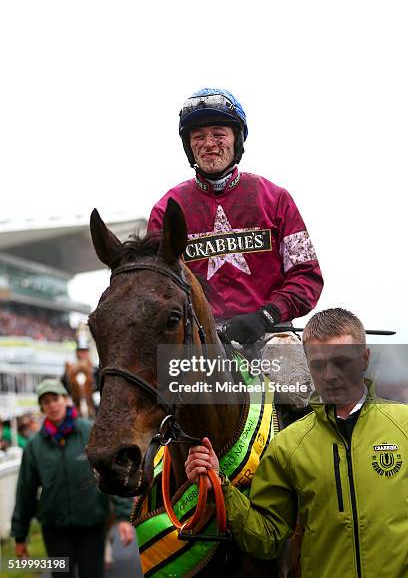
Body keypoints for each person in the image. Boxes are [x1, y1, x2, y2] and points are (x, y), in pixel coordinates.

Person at [185, 308, 408, 577]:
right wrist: (219, 489)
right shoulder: (287, 444)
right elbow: (267, 539)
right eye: (318, 364)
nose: (329, 375)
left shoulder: (403, 424)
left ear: (364, 358)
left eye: (341, 362)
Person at [148, 88, 323, 344]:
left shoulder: (276, 199)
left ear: (237, 139)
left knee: (287, 364)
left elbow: (307, 275)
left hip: (270, 333)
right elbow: (155, 286)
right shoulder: (166, 210)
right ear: (189, 145)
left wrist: (266, 316)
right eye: (198, 136)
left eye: (219, 135)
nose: (209, 144)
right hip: (198, 340)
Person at [11, 379, 134, 578]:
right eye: (46, 401)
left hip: (92, 526)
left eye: (55, 398)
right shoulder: (34, 446)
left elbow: (112, 472)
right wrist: (20, 535)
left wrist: (123, 517)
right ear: (42, 407)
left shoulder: (91, 432)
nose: (52, 404)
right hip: (55, 530)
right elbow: (25, 490)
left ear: (66, 400)